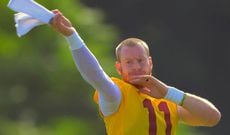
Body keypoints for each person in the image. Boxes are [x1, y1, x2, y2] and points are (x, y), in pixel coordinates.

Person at [50, 10, 221, 135]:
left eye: (140, 60)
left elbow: (212, 117)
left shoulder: (167, 99)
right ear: (119, 68)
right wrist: (72, 36)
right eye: (129, 62)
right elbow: (95, 75)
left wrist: (168, 92)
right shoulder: (116, 95)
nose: (136, 67)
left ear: (150, 63)